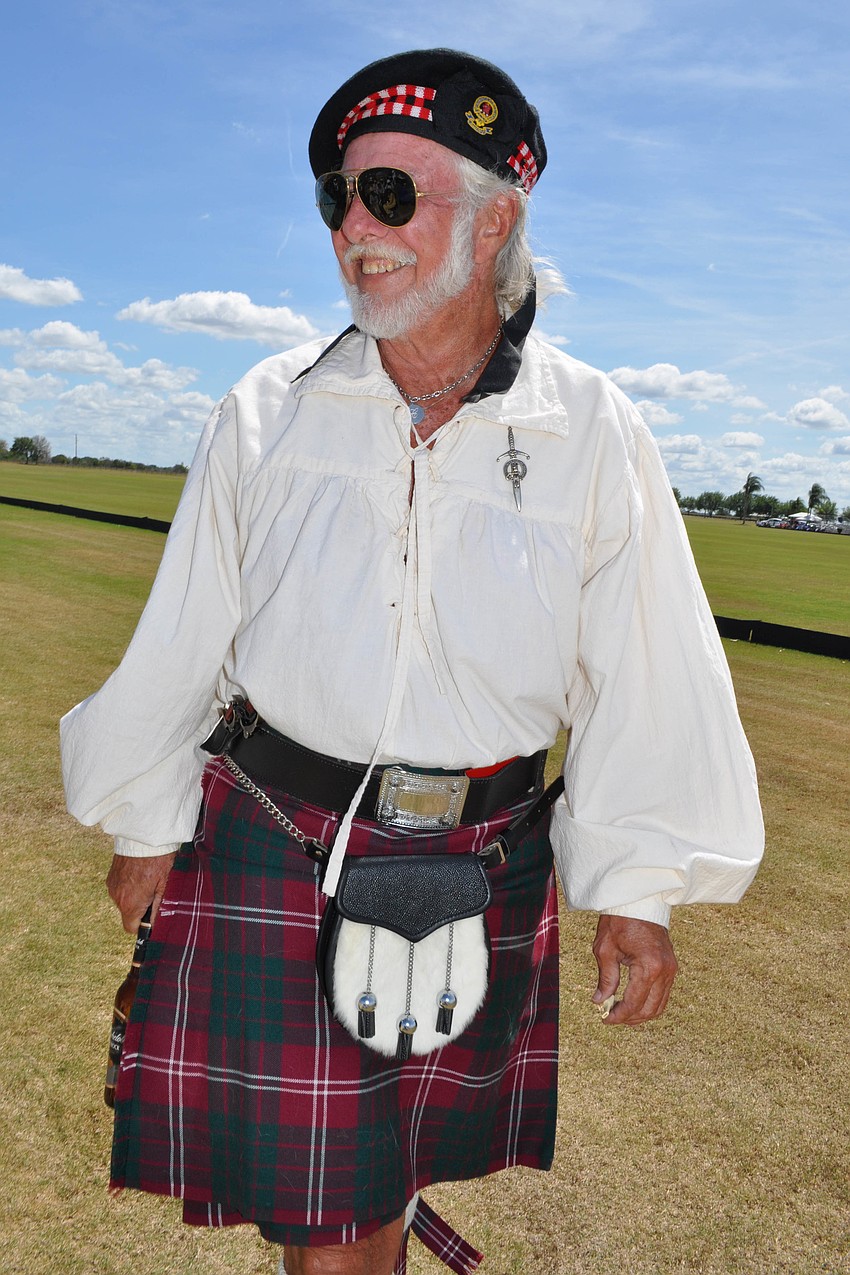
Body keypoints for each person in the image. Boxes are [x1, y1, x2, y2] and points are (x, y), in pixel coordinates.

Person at [60, 49, 764, 1275]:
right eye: (340, 196)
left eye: (391, 196)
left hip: (485, 856)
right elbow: (185, 631)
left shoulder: (591, 427)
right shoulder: (265, 409)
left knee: (378, 1193)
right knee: (328, 1232)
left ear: (497, 215)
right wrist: (144, 821)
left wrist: (636, 891)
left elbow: (643, 669)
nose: (354, 227)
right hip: (277, 838)